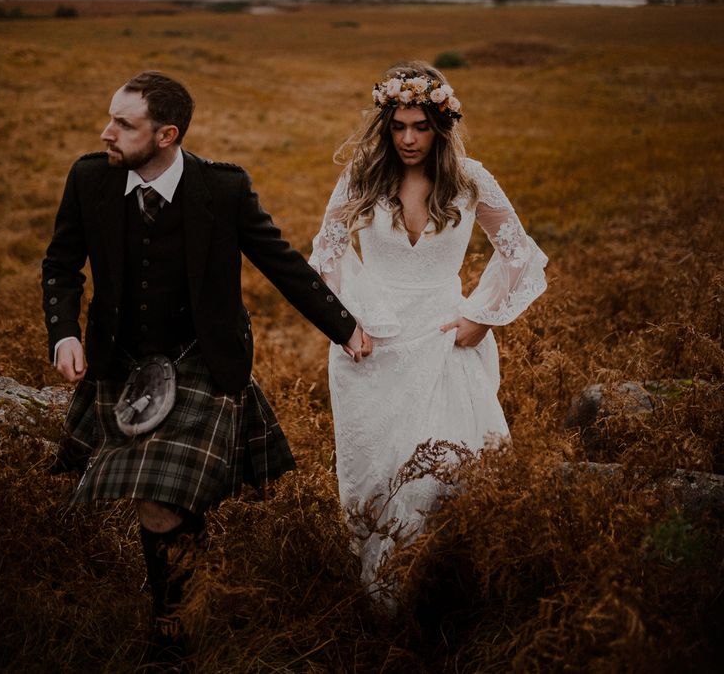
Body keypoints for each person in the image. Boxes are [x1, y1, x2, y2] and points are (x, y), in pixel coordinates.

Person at [42, 70, 369, 666]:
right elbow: (62, 265)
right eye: (110, 117)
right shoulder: (89, 178)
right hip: (121, 362)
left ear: (166, 135)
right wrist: (64, 332)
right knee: (160, 499)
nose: (105, 131)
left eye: (123, 123)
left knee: (159, 498)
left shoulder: (221, 189)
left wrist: (345, 329)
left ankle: (171, 633)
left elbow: (282, 262)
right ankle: (185, 600)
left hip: (201, 363)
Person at [309, 61, 548, 593]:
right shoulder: (362, 176)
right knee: (381, 475)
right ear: (385, 124)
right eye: (398, 126)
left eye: (420, 126)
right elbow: (326, 255)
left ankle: (456, 586)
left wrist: (481, 318)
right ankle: (386, 593)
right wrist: (349, 323)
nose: (409, 139)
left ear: (442, 125)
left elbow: (518, 254)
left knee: (452, 469)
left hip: (447, 341)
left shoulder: (469, 180)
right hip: (374, 348)